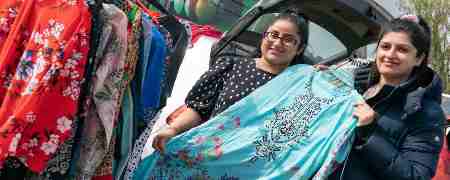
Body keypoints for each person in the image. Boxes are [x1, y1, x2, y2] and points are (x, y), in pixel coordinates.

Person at [152, 11, 309, 153]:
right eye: (273, 35)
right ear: (264, 36)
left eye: (289, 39)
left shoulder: (300, 86)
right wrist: (173, 129)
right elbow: (199, 110)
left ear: (300, 48)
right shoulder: (231, 66)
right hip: (208, 155)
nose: (278, 43)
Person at [329, 15, 446, 180]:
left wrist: (370, 133)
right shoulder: (354, 88)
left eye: (402, 49)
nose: (390, 54)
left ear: (419, 58)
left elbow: (416, 176)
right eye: (385, 46)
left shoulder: (425, 113)